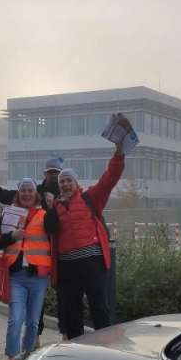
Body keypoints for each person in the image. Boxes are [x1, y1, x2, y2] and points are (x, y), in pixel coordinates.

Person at [0, 152, 65, 344]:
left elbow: (55, 228)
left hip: (47, 266)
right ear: (45, 173)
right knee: (17, 318)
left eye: (56, 172)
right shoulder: (16, 207)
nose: (54, 176)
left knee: (55, 306)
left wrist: (51, 208)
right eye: (50, 172)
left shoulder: (65, 193)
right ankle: (32, 343)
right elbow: (2, 195)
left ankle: (62, 337)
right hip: (17, 272)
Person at [44, 142, 125, 340]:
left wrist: (119, 154)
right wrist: (50, 208)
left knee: (99, 307)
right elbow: (50, 230)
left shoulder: (91, 197)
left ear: (76, 183)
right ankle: (76, 351)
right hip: (67, 267)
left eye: (68, 180)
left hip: (92, 264)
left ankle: (107, 348)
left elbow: (109, 179)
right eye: (62, 181)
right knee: (72, 313)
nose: (65, 184)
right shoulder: (55, 207)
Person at [0, 178, 51, 360]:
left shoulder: (44, 215)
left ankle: (27, 357)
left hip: (38, 276)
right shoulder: (9, 213)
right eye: (23, 190)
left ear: (36, 195)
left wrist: (52, 207)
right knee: (15, 319)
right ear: (18, 194)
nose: (26, 194)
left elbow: (56, 233)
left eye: (30, 191)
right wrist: (12, 236)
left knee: (33, 321)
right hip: (16, 276)